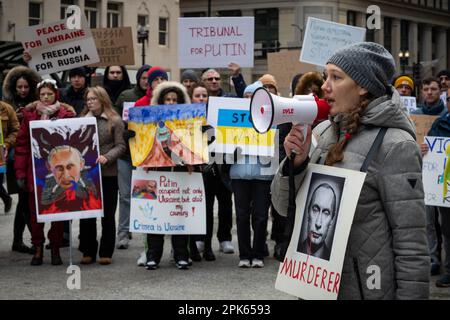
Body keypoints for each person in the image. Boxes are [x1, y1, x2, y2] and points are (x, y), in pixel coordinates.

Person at [271, 42, 429, 299]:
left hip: (366, 289)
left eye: (336, 77)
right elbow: (281, 207)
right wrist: (294, 164)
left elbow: (411, 243)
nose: (324, 86)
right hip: (317, 288)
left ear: (363, 85)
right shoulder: (322, 133)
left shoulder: (395, 145)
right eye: (325, 76)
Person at [15, 79, 76, 266]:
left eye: (49, 94)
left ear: (55, 94)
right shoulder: (30, 116)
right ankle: (38, 247)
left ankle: (55, 248)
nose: (46, 97)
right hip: (36, 172)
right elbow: (22, 145)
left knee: (56, 212)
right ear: (38, 96)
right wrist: (20, 173)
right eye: (42, 94)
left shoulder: (65, 115)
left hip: (58, 172)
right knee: (35, 214)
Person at [145, 81, 193, 270]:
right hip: (158, 172)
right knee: (155, 215)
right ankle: (153, 256)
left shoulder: (188, 121)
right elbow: (145, 143)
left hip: (180, 171)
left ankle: (181, 255)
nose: (171, 102)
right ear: (161, 101)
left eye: (174, 99)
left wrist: (191, 161)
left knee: (179, 214)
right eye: (167, 99)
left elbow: (192, 145)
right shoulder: (150, 121)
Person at [78, 86, 126, 265]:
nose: (90, 102)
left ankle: (106, 251)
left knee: (107, 214)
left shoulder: (115, 121)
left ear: (102, 99)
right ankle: (87, 250)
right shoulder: (81, 120)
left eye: (93, 99)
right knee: (87, 214)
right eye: (88, 99)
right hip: (86, 175)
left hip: (108, 174)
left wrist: (107, 157)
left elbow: (121, 146)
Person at [230, 80, 274, 268]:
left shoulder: (271, 118)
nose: (249, 100)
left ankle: (257, 254)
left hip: (263, 174)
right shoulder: (234, 118)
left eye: (253, 96)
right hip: (239, 174)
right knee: (241, 216)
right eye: (246, 96)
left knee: (261, 215)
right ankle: (244, 254)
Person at [2, 65, 40, 254]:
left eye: (26, 87)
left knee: (26, 201)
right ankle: (32, 240)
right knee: (24, 200)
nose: (23, 90)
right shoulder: (6, 107)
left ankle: (22, 240)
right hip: (13, 159)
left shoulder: (38, 103)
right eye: (19, 87)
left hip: (33, 157)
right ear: (13, 88)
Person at [114, 64, 151, 250]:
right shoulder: (126, 96)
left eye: (149, 78)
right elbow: (116, 121)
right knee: (125, 196)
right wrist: (124, 133)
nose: (146, 81)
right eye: (143, 78)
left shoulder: (158, 98)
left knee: (146, 195)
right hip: (127, 154)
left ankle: (149, 231)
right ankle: (123, 232)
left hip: (147, 156)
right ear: (138, 79)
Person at [420, 86, 450, 287]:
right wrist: (424, 148)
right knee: (447, 228)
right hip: (445, 189)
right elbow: (430, 145)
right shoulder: (441, 123)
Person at [297, 183, 337, 260]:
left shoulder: (333, 261)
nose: (318, 223)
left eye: (326, 213)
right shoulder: (294, 249)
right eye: (315, 210)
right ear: (308, 211)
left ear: (332, 219)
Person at [0, 101, 20, 212]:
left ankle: (6, 198)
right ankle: (6, 198)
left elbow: (16, 130)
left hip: (1, 152)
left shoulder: (6, 108)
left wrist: (6, 144)